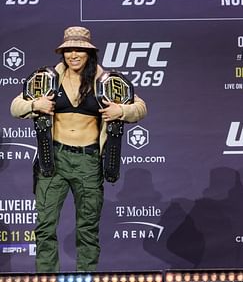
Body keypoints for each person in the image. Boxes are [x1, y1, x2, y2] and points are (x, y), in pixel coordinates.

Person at [10, 26, 147, 272]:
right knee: (45, 226)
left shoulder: (107, 81)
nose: (73, 55)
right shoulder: (48, 78)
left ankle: (86, 277)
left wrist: (122, 111)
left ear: (89, 53)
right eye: (68, 50)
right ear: (62, 53)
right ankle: (46, 279)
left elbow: (141, 108)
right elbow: (15, 107)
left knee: (87, 229)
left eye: (79, 50)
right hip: (53, 159)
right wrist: (35, 104)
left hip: (89, 161)